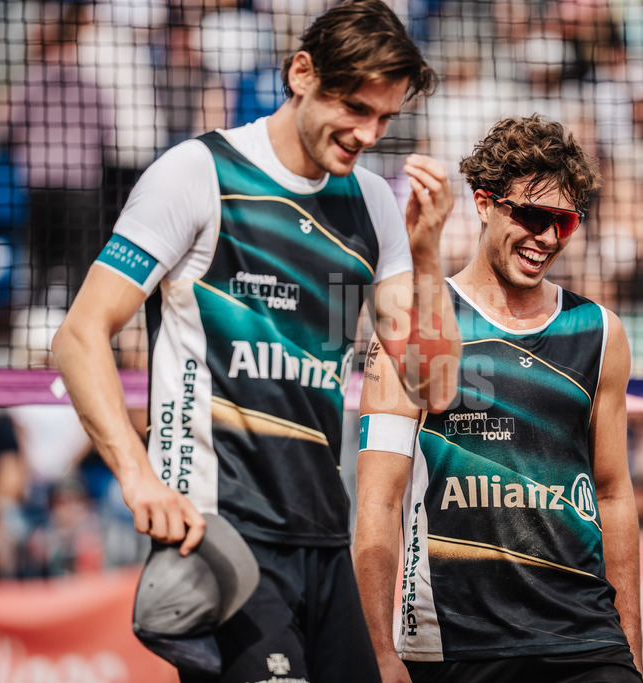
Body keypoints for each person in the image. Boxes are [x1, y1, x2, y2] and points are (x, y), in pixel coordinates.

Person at [51, 0, 461, 681]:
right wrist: (137, 476)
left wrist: (425, 257)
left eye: (385, 118)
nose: (368, 133)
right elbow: (79, 334)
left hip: (325, 534)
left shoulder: (374, 205)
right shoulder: (198, 173)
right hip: (224, 533)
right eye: (356, 108)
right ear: (302, 72)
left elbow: (434, 386)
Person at [354, 115, 643, 683]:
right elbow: (378, 502)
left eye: (564, 222)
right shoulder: (413, 323)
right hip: (459, 643)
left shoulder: (599, 331)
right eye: (532, 216)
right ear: (485, 203)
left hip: (585, 640)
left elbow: (612, 496)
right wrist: (379, 652)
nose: (546, 238)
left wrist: (630, 648)